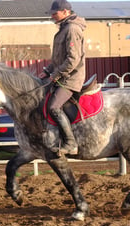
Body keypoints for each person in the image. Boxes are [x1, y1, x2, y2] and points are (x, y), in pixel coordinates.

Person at [38, 0, 86, 155]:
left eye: (55, 13)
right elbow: (58, 59)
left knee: (53, 107)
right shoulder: (63, 29)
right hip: (62, 76)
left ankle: (71, 143)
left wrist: (55, 75)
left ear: (65, 12)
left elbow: (73, 60)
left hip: (71, 79)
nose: (52, 16)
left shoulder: (72, 29)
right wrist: (47, 71)